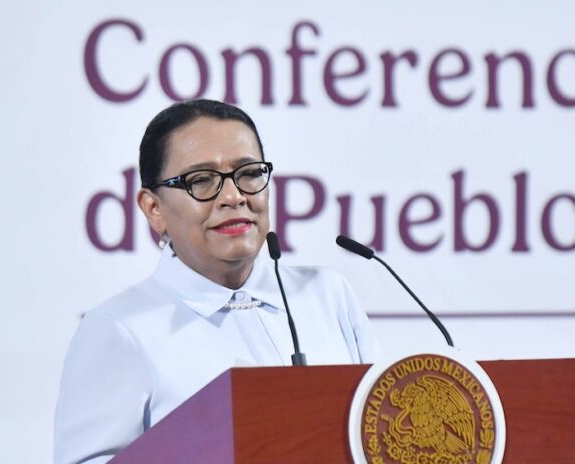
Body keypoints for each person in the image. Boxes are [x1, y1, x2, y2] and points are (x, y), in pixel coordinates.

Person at [54, 99, 381, 464]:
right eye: (201, 180)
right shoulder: (119, 329)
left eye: (249, 174)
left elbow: (377, 434)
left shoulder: (326, 295)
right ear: (153, 208)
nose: (234, 196)